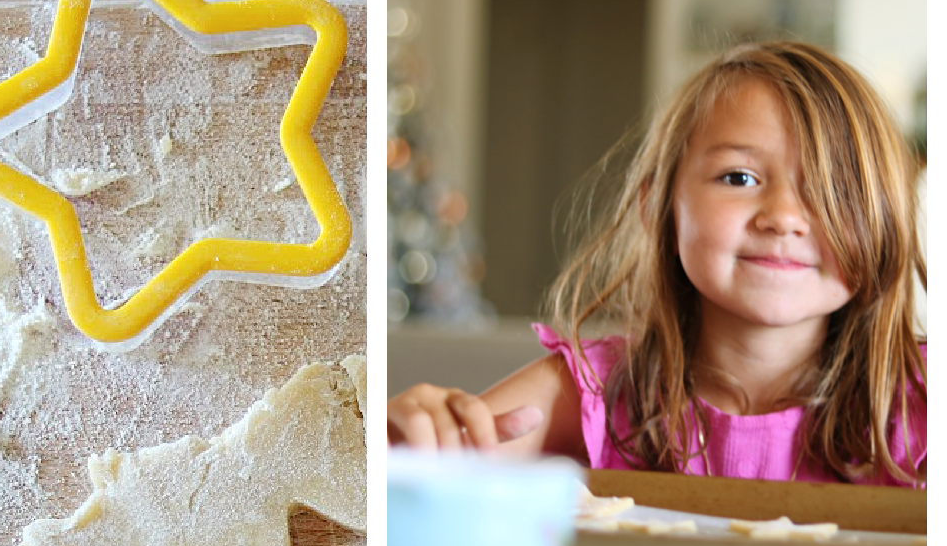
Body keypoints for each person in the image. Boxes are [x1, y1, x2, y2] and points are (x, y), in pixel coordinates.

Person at [387, 42, 927, 486]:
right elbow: (412, 480)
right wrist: (406, 440)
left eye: (834, 188)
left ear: (887, 221)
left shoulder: (924, 396)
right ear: (660, 209)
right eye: (739, 178)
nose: (784, 217)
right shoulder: (597, 388)